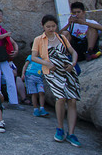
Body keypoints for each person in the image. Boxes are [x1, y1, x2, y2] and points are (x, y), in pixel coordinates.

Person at [31, 15, 82, 147]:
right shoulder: (39, 39)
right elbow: (34, 57)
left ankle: (71, 133)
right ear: (43, 26)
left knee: (72, 100)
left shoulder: (62, 37)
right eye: (48, 26)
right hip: (52, 72)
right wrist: (46, 63)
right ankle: (60, 128)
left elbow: (73, 51)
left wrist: (73, 63)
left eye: (53, 26)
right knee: (60, 98)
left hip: (67, 71)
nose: (51, 29)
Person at [21, 47, 49, 117]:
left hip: (39, 77)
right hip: (30, 76)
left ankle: (42, 108)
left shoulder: (43, 59)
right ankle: (35, 109)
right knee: (34, 93)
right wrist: (23, 74)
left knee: (41, 92)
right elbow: (25, 66)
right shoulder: (30, 57)